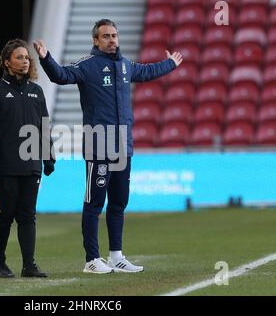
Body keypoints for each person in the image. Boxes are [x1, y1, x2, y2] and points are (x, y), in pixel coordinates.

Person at [34, 19, 183, 273]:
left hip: (123, 145)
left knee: (118, 203)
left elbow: (147, 72)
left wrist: (170, 64)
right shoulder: (87, 66)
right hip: (98, 144)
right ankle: (92, 259)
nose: (112, 39)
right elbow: (61, 76)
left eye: (114, 35)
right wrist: (46, 58)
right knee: (94, 203)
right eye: (106, 36)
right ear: (96, 40)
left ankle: (116, 256)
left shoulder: (125, 66)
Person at [0, 39, 55, 278]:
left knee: (28, 215)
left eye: (27, 57)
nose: (25, 61)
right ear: (6, 61)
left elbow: (43, 127)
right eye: (19, 57)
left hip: (32, 164)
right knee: (6, 214)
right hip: (5, 165)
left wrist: (48, 156)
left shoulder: (36, 91)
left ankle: (29, 266)